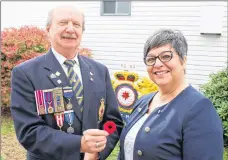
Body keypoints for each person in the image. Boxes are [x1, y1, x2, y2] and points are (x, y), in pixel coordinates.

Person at [10, 5, 123, 160]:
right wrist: (80, 144)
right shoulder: (26, 73)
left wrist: (96, 151)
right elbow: (29, 131)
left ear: (82, 31)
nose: (70, 29)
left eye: (76, 24)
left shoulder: (99, 71)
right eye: (63, 23)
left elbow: (113, 123)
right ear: (48, 30)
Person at [118, 29, 224, 160]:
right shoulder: (143, 101)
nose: (157, 64)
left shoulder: (199, 109)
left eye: (166, 56)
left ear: (183, 60)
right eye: (151, 59)